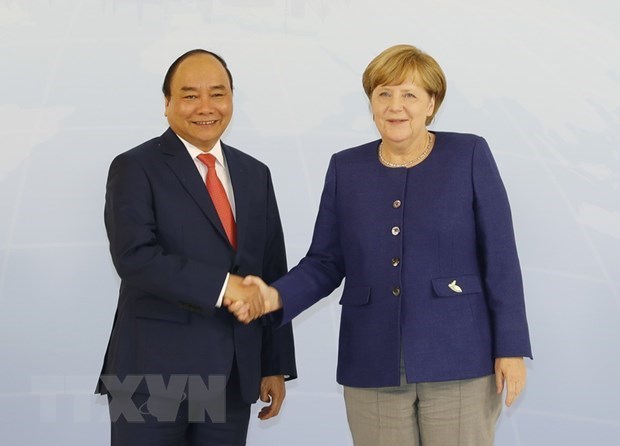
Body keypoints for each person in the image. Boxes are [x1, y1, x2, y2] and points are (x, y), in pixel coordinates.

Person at [227, 44, 532, 446]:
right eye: (383, 93)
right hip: (371, 360)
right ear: (370, 102)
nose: (395, 106)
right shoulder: (345, 167)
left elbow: (501, 257)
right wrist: (274, 296)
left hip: (459, 358)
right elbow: (324, 261)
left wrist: (510, 347)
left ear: (431, 104)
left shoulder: (468, 154)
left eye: (410, 94)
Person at [96, 49, 297, 446]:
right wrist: (226, 287)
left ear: (232, 100)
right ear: (167, 103)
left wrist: (273, 364)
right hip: (152, 376)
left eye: (218, 94)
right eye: (189, 95)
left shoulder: (255, 174)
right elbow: (135, 257)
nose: (206, 107)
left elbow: (272, 272)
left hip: (233, 374)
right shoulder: (135, 167)